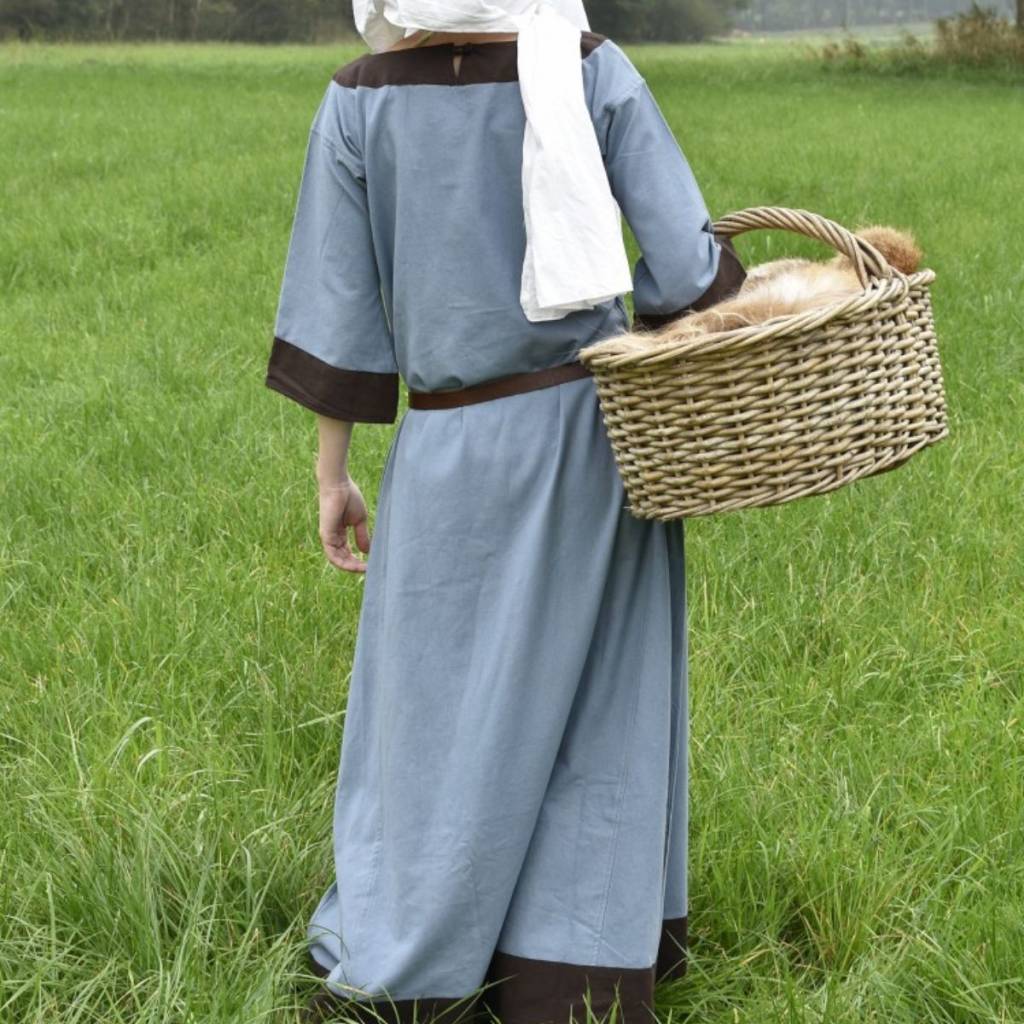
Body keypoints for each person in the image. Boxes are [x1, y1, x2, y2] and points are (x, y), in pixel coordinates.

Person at [264, 0, 745, 1020]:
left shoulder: (357, 100)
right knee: (596, 705)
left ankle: (412, 964)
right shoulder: (591, 67)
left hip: (445, 451)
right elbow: (685, 268)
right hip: (593, 443)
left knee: (433, 714)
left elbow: (336, 305)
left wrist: (333, 472)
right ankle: (572, 975)